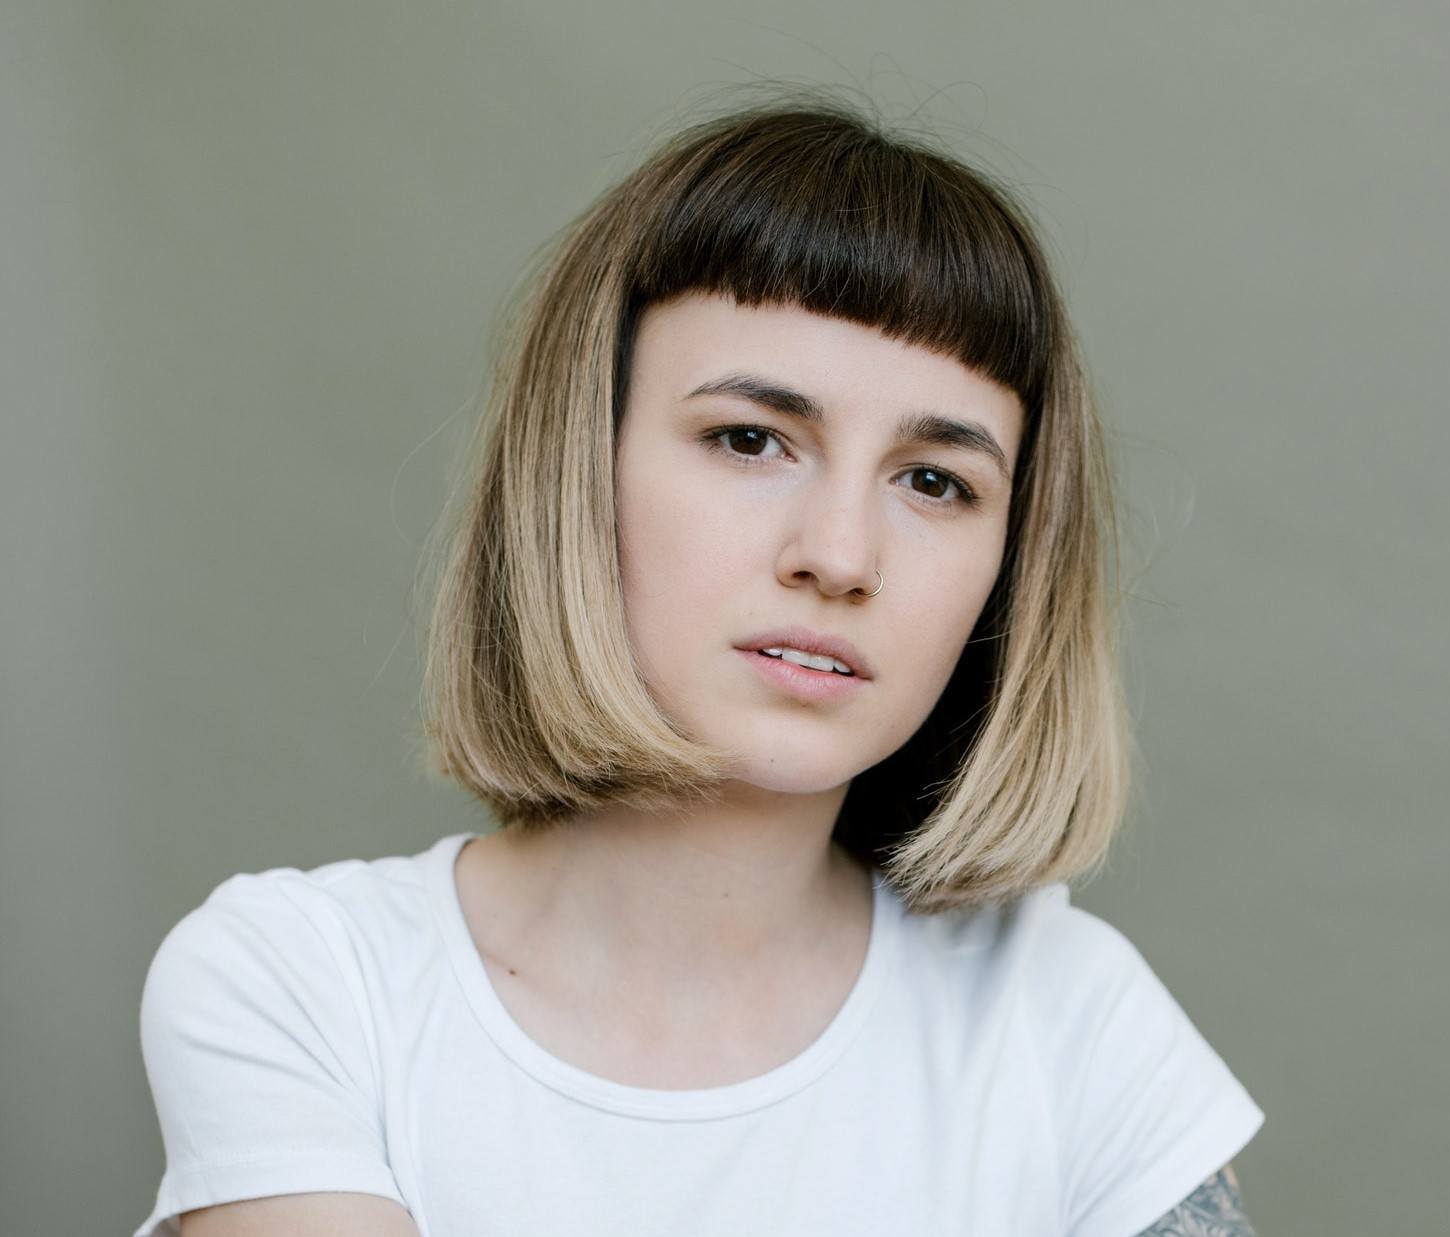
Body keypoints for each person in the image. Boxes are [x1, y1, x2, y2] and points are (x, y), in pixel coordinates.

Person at [133, 88, 1265, 1237]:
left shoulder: (1066, 1013)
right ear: (579, 468)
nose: (838, 556)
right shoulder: (302, 983)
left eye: (934, 481)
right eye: (750, 439)